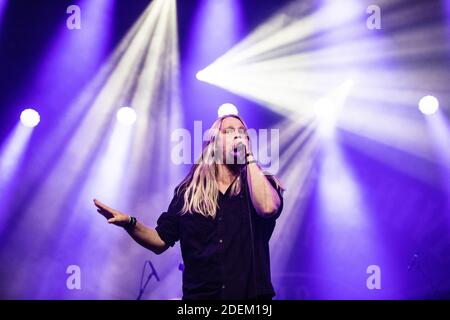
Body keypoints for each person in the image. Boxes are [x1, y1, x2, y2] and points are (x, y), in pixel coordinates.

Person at [93, 115, 284, 300]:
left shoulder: (260, 185)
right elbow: (160, 241)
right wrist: (129, 223)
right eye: (229, 131)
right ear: (214, 144)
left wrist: (248, 156)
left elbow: (267, 208)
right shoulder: (188, 193)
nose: (238, 135)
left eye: (243, 133)